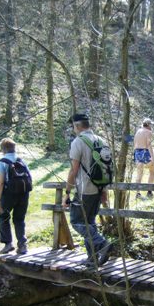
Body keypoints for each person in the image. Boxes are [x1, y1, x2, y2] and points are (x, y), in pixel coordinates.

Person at [63, 114, 112, 266]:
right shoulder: (101, 140)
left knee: (77, 221)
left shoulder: (78, 142)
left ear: (77, 126)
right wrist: (104, 190)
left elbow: (73, 170)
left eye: (73, 126)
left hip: (84, 190)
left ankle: (101, 243)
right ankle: (93, 258)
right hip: (98, 188)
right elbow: (106, 167)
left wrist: (67, 192)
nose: (73, 129)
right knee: (89, 222)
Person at [0, 138, 30, 254]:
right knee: (19, 219)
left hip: (8, 195)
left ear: (3, 149)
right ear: (14, 148)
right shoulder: (22, 161)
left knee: (3, 217)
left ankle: (8, 244)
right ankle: (22, 245)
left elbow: (0, 182)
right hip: (24, 194)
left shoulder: (2, 162)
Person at [133, 118, 154, 199]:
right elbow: (149, 145)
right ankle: (149, 191)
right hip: (145, 152)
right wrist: (152, 157)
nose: (151, 126)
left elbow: (134, 144)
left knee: (139, 173)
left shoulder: (138, 131)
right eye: (151, 125)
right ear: (148, 125)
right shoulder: (148, 132)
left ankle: (137, 193)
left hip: (137, 153)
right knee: (152, 171)